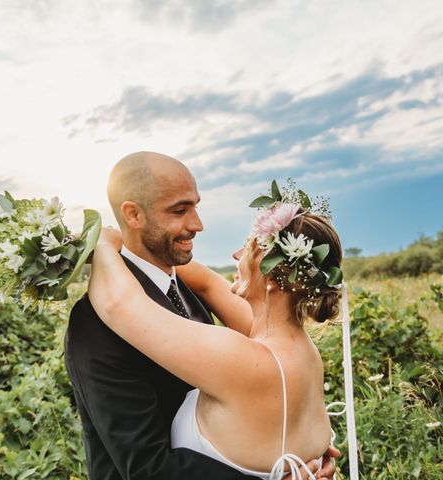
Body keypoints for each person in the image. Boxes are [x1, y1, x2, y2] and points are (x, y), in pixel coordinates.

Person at [64, 151, 339, 479]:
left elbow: (125, 302)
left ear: (275, 279)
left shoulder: (200, 308)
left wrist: (105, 245)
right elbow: (145, 469)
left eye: (195, 206)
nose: (198, 224)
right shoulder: (94, 324)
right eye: (181, 210)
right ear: (133, 215)